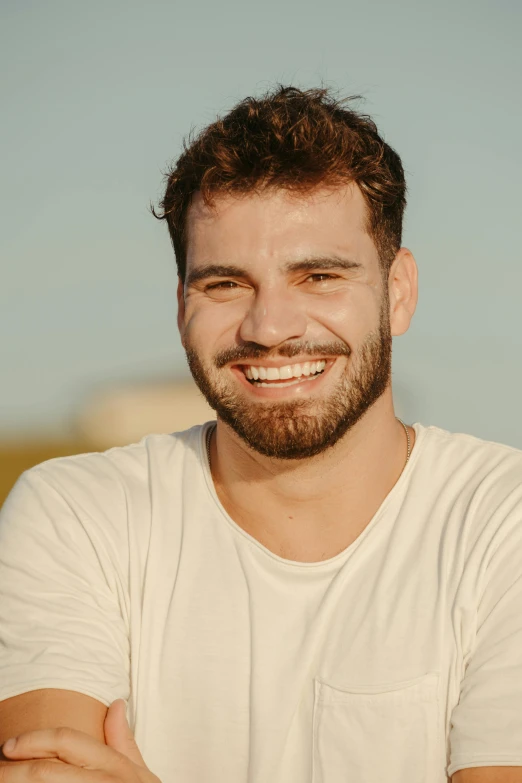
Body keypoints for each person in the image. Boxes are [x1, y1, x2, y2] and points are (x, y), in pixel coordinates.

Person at [0, 85, 521, 783]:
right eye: (225, 285)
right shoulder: (77, 518)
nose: (270, 327)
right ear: (182, 304)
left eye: (319, 275)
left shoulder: (500, 525)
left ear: (398, 292)